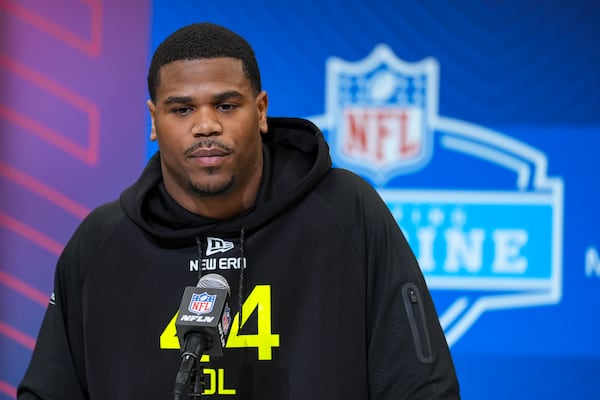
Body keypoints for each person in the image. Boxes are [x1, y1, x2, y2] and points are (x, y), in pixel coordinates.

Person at [18, 22, 460, 399]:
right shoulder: (100, 243)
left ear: (261, 111)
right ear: (153, 121)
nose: (206, 125)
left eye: (226, 105)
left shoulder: (345, 211)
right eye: (182, 108)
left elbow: (421, 386)